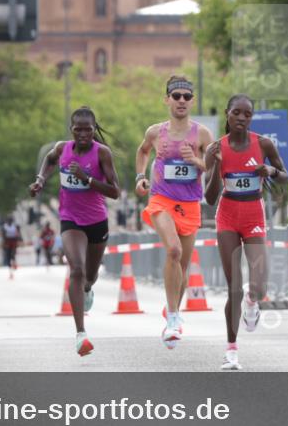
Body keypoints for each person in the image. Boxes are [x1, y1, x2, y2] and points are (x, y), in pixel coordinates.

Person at [204, 94, 288, 370]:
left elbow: (285, 175)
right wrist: (217, 165)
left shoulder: (262, 143)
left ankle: (253, 301)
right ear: (228, 115)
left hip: (253, 214)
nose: (241, 118)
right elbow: (209, 197)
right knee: (233, 289)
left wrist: (272, 171)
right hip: (227, 215)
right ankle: (231, 351)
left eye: (247, 114)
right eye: (236, 113)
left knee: (259, 286)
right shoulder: (216, 148)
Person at [30, 106, 120, 357]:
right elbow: (49, 160)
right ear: (71, 130)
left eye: (88, 130)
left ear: (94, 130)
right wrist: (40, 179)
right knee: (76, 270)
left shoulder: (102, 153)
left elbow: (115, 192)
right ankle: (81, 334)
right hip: (71, 220)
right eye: (78, 129)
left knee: (89, 277)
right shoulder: (62, 149)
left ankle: (88, 288)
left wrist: (87, 179)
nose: (83, 134)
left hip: (97, 222)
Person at [134, 76, 215, 350]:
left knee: (182, 266)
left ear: (192, 101)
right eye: (176, 95)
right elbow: (143, 152)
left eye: (186, 97)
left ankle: (173, 313)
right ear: (166, 99)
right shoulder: (155, 132)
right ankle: (172, 318)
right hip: (161, 200)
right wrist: (139, 177)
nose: (181, 100)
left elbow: (216, 167)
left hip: (190, 205)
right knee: (174, 251)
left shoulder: (202, 134)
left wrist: (197, 162)